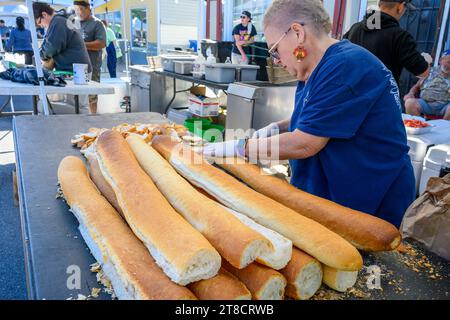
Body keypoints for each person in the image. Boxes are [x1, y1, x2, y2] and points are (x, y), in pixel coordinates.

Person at [202, 0, 415, 228]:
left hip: (369, 194)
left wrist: (240, 148)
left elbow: (305, 143)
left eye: (275, 50)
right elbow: (316, 117)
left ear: (297, 32)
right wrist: (279, 127)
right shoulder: (315, 66)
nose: (277, 61)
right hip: (338, 188)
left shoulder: (344, 66)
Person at [343, 0, 429, 85]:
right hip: (380, 96)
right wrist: (426, 61)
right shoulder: (400, 36)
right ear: (400, 6)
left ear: (380, 4)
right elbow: (422, 71)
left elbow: (340, 57)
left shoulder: (355, 28)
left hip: (349, 94)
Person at [33, 2, 91, 73]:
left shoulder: (58, 22)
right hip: (76, 70)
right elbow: (47, 46)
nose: (41, 26)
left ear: (44, 15)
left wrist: (40, 55)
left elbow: (51, 48)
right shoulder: (57, 21)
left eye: (39, 22)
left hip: (77, 72)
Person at [74, 0, 106, 114]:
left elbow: (101, 43)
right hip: (78, 66)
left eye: (81, 9)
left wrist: (81, 45)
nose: (79, 12)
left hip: (93, 66)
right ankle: (79, 118)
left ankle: (93, 117)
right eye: (76, 9)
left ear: (89, 9)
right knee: (78, 96)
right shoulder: (74, 23)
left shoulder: (97, 23)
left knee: (92, 95)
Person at [404, 50, 450, 120]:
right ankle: (420, 126)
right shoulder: (429, 71)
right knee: (409, 103)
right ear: (440, 60)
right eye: (449, 62)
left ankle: (443, 128)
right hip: (426, 104)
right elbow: (416, 87)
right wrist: (410, 93)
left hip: (445, 106)